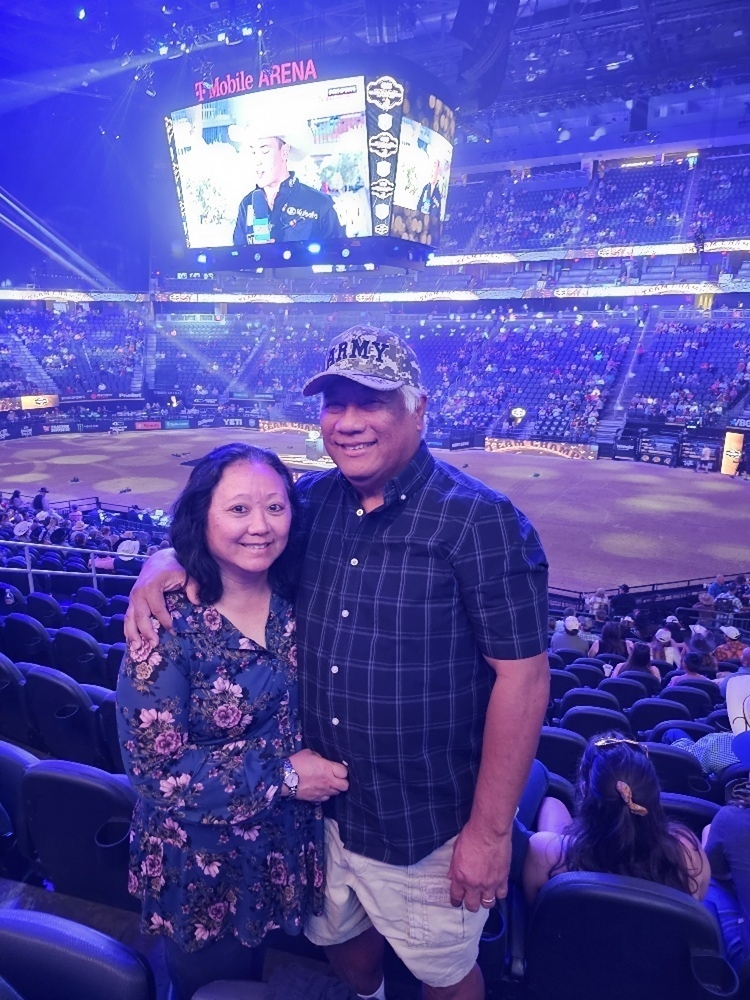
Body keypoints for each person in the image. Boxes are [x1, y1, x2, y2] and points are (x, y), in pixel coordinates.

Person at [125, 325, 550, 1000]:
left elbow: (522, 678)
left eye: (371, 401)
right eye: (334, 404)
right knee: (344, 949)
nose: (348, 422)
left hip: (422, 825)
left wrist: (491, 832)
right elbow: (238, 538)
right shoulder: (313, 505)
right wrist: (165, 559)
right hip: (313, 819)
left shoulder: (481, 523)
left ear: (418, 409)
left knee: (444, 973)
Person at [117, 443, 347, 1000]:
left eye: (275, 507)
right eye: (238, 509)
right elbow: (155, 772)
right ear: (203, 517)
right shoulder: (163, 627)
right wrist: (286, 775)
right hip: (202, 860)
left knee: (250, 977)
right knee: (209, 989)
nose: (260, 526)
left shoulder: (298, 597)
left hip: (280, 842)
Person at [523, 734, 709, 906]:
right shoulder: (688, 854)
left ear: (585, 790)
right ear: (654, 796)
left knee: (551, 803)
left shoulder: (543, 854)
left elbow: (535, 914)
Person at [232, 127, 345, 247]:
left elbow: (340, 254)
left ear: (285, 151)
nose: (257, 161)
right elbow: (237, 254)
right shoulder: (247, 204)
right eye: (253, 152)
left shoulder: (320, 204)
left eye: (265, 151)